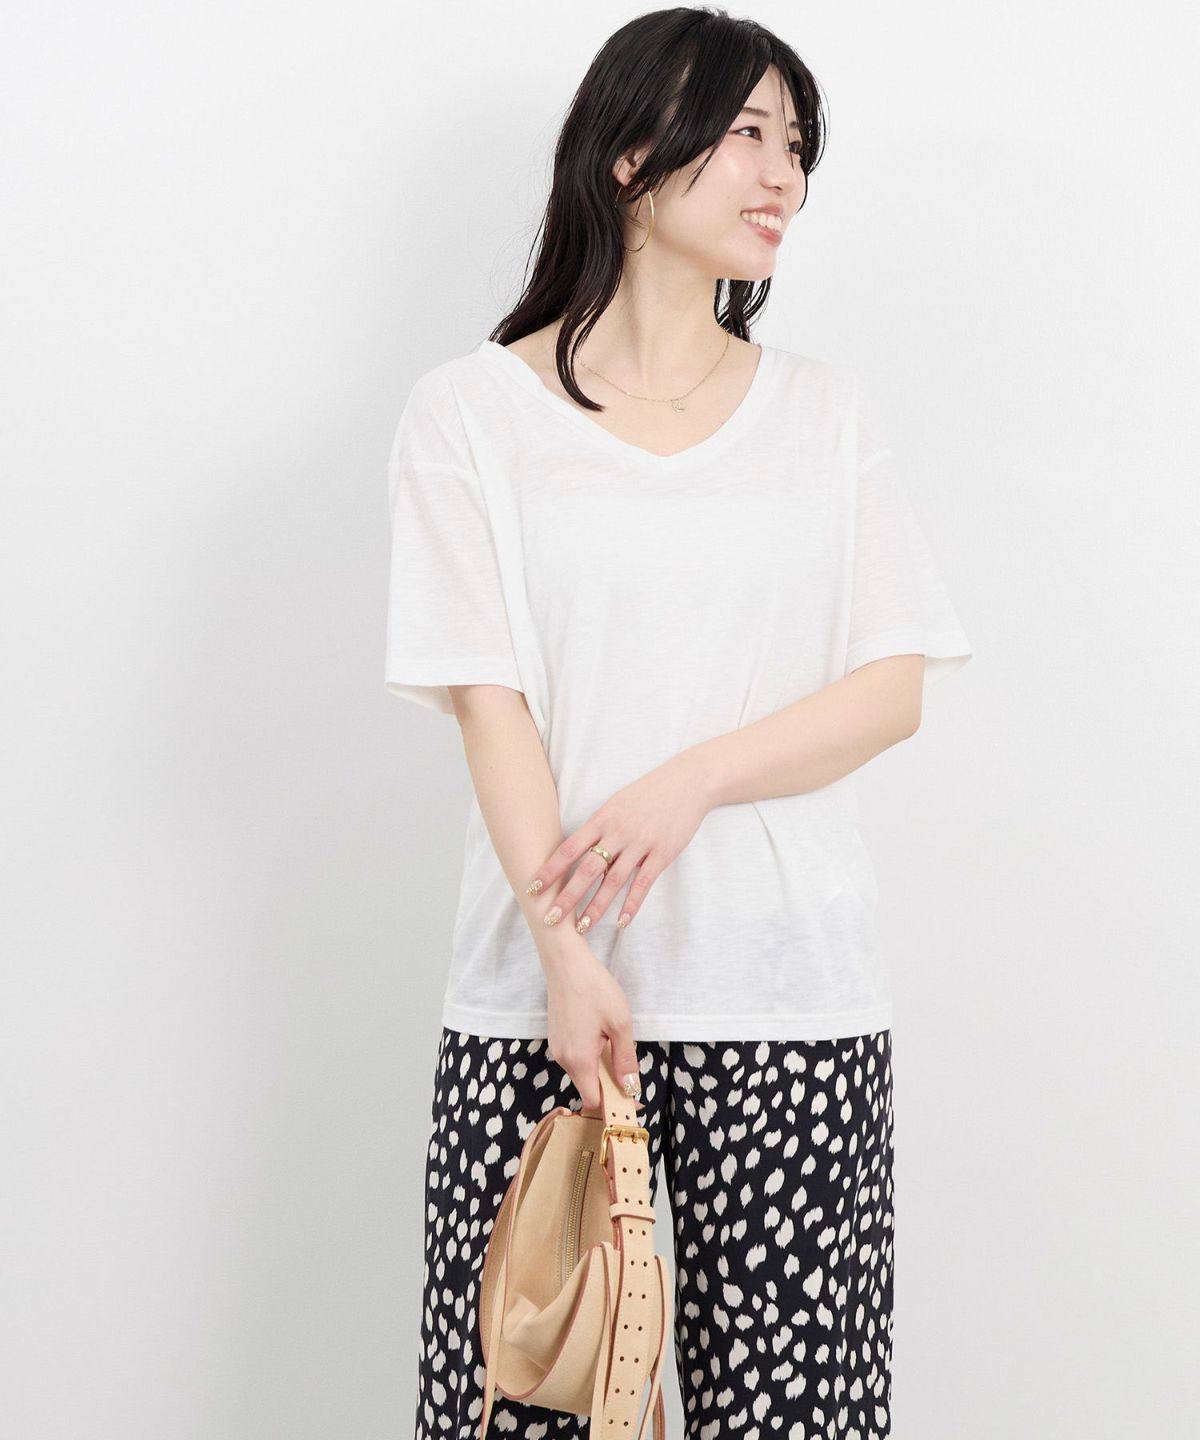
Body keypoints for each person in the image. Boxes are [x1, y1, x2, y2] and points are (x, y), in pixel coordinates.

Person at [384, 10, 972, 1439]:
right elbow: (490, 705)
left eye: (799, 147)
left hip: (789, 1001)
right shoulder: (470, 416)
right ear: (632, 153)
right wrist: (565, 955)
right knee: (522, 1413)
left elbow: (890, 689)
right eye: (750, 134)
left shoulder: (823, 416)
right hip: (546, 1010)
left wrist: (690, 781)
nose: (786, 177)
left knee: (802, 1420)